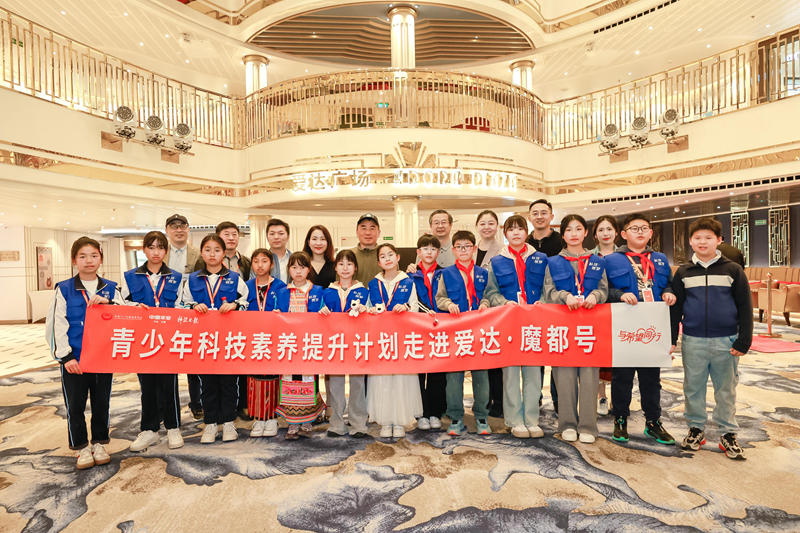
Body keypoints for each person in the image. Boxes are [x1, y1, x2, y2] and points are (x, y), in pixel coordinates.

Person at [671, 217, 753, 460]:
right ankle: (696, 429)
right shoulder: (684, 272)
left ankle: (728, 433)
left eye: (708, 237)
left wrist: (744, 339)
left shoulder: (733, 270)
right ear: (690, 241)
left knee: (726, 389)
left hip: (726, 341)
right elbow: (676, 309)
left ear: (719, 240)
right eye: (697, 238)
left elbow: (745, 306)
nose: (702, 242)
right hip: (693, 340)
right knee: (692, 387)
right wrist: (672, 338)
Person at [45, 237, 125, 470]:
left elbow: (125, 316)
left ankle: (99, 443)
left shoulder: (111, 288)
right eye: (82, 256)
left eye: (93, 256)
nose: (89, 260)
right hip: (75, 360)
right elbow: (56, 325)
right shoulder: (64, 289)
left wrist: (108, 302)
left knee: (101, 403)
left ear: (101, 259)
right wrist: (66, 357)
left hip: (102, 358)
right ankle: (80, 446)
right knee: (75, 405)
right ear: (74, 260)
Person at [604, 213, 676, 445]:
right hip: (624, 326)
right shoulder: (611, 260)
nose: (640, 232)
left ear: (650, 233)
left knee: (651, 378)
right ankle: (620, 419)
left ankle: (653, 421)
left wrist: (669, 293)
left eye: (644, 228)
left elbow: (669, 284)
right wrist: (619, 294)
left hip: (652, 327)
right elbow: (603, 290)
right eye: (634, 228)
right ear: (624, 234)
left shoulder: (660, 259)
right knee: (622, 377)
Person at [543, 214, 608, 444]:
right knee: (564, 376)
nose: (573, 234)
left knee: (590, 376)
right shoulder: (553, 262)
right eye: (569, 230)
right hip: (562, 327)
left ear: (585, 233)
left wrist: (595, 296)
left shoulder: (597, 261)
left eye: (578, 229)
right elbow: (548, 292)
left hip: (589, 327)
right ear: (563, 235)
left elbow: (604, 289)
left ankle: (588, 426)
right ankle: (567, 424)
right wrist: (565, 296)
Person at [481, 215, 548, 438]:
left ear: (526, 232)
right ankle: (514, 420)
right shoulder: (497, 261)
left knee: (533, 373)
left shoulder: (541, 259)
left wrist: (543, 302)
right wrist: (503, 302)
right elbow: (491, 292)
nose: (516, 233)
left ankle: (531, 419)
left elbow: (548, 287)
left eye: (520, 229)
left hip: (534, 323)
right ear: (505, 233)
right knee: (510, 373)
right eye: (511, 229)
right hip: (509, 322)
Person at [179, 234, 249, 444]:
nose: (212, 254)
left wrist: (235, 305)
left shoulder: (235, 278)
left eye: (217, 250)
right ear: (202, 253)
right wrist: (194, 306)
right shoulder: (192, 279)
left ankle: (228, 423)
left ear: (223, 253)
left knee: (229, 383)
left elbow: (246, 301)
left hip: (228, 340)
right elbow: (181, 304)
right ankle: (210, 423)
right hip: (204, 340)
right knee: (207, 383)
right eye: (208, 250)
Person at [122, 231, 185, 452]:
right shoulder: (130, 277)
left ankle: (173, 427)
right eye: (151, 247)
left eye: (160, 247)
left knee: (169, 384)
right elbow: (122, 305)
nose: (155, 252)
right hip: (143, 341)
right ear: (144, 250)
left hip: (168, 339)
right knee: (147, 386)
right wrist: (134, 307)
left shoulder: (176, 277)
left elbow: (182, 306)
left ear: (166, 251)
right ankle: (149, 429)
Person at [436, 230, 491, 437]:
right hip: (456, 332)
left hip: (480, 331)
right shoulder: (446, 274)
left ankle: (482, 416)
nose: (463, 250)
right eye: (459, 247)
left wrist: (485, 303)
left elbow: (489, 295)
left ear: (474, 248)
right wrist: (448, 304)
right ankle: (456, 417)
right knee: (454, 378)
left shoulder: (483, 273)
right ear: (453, 250)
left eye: (467, 246)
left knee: (481, 377)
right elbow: (440, 298)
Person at [367, 243, 423, 439]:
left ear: (398, 257)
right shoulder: (373, 284)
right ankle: (385, 420)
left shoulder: (408, 282)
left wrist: (405, 307)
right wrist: (370, 310)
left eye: (390, 254)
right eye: (383, 256)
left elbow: (415, 307)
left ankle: (399, 420)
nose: (387, 258)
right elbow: (367, 308)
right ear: (378, 262)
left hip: (401, 337)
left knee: (401, 378)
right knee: (382, 379)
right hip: (381, 339)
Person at [275, 252, 328, 440]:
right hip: (289, 344)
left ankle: (307, 421)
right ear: (288, 269)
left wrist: (324, 311)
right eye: (294, 267)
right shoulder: (282, 292)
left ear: (309, 269)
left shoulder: (318, 291)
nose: (298, 271)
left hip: (308, 344)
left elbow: (325, 314)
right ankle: (292, 423)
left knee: (309, 380)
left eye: (302, 267)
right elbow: (276, 316)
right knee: (289, 380)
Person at [322, 250, 370, 438]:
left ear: (355, 267)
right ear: (335, 267)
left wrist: (367, 310)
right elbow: (318, 314)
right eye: (341, 264)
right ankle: (337, 424)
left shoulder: (364, 291)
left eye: (349, 264)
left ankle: (358, 424)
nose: (345, 268)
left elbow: (374, 313)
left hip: (357, 343)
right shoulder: (327, 292)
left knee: (358, 383)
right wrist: (322, 311)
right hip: (335, 344)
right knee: (335, 384)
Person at [163, 213, 203, 420]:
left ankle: (197, 402)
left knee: (194, 361)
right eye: (174, 226)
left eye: (182, 226)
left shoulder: (198, 255)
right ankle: (166, 407)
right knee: (165, 361)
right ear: (167, 231)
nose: (178, 230)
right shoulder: (161, 254)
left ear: (188, 229)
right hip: (165, 314)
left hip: (191, 313)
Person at [525, 199, 563, 415]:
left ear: (551, 216)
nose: (539, 216)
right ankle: (535, 397)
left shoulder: (561, 242)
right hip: (533, 306)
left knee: (557, 351)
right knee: (535, 351)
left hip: (557, 303)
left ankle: (559, 399)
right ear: (530, 217)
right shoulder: (525, 243)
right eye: (535, 213)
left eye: (543, 213)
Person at [244, 249, 286, 438]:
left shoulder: (280, 286)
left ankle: (272, 418)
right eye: (256, 261)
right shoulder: (246, 286)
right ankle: (258, 418)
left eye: (264, 261)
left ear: (272, 264)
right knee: (254, 379)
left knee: (272, 378)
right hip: (253, 339)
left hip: (273, 338)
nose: (260, 265)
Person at [409, 234, 446, 431]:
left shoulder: (445, 273)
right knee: (418, 372)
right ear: (418, 252)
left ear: (438, 252)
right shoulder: (410, 275)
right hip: (417, 328)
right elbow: (411, 301)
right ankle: (421, 413)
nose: (429, 252)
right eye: (425, 249)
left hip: (440, 327)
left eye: (433, 249)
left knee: (437, 372)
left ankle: (435, 412)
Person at [216, 220, 252, 421]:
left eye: (234, 234)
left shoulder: (245, 261)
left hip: (240, 317)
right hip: (216, 319)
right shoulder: (209, 260)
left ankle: (243, 404)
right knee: (219, 363)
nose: (231, 238)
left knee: (242, 360)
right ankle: (219, 406)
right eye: (226, 234)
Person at [474, 209, 504, 418]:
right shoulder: (470, 248)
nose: (487, 227)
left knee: (495, 360)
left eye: (491, 223)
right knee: (477, 360)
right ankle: (481, 402)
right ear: (477, 226)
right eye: (483, 223)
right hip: (473, 312)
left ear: (497, 226)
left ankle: (498, 402)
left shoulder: (503, 251)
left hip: (494, 312)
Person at [591, 214, 620, 417]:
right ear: (594, 235)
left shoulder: (625, 256)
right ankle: (601, 396)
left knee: (618, 355)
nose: (605, 233)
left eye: (609, 229)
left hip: (620, 309)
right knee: (598, 354)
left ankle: (618, 397)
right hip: (595, 310)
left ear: (616, 232)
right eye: (601, 230)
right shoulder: (589, 257)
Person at [350, 213, 382, 285]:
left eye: (372, 228)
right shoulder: (348, 255)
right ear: (357, 232)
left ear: (379, 232)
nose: (368, 233)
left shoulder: (386, 256)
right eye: (363, 228)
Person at [267, 218, 292, 283]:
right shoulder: (260, 260)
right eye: (272, 234)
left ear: (288, 237)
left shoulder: (295, 258)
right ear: (267, 237)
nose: (276, 237)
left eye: (281, 233)